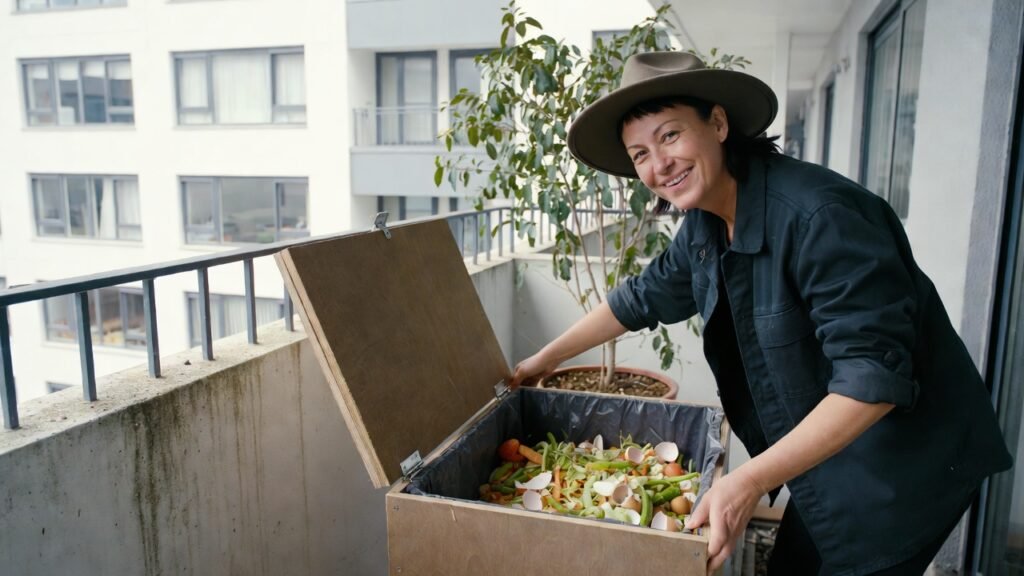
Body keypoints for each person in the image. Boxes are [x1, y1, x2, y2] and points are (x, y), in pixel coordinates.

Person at [509, 51, 1012, 575]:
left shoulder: (821, 217)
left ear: (719, 124)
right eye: (639, 154)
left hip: (905, 468)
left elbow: (872, 379)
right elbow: (641, 297)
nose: (658, 166)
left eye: (670, 136)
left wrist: (747, 481)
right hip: (832, 463)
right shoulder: (704, 225)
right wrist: (542, 360)